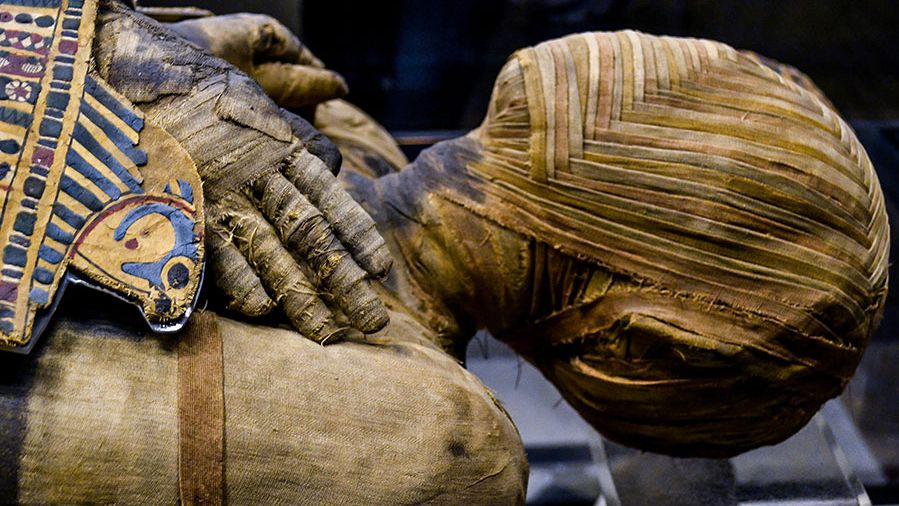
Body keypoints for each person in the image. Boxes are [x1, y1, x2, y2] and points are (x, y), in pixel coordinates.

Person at [0, 4, 889, 505]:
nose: (677, 66)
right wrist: (135, 52)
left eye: (711, 159)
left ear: (637, 345)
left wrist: (98, 72)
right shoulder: (341, 130)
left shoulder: (430, 445)